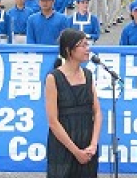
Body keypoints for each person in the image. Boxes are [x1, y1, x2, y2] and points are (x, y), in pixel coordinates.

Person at [45, 28, 102, 178]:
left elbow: (97, 111)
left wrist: (93, 144)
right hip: (64, 147)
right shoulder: (54, 78)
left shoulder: (88, 75)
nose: (87, 49)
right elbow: (53, 121)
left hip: (87, 143)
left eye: (87, 44)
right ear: (69, 49)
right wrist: (76, 152)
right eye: (82, 45)